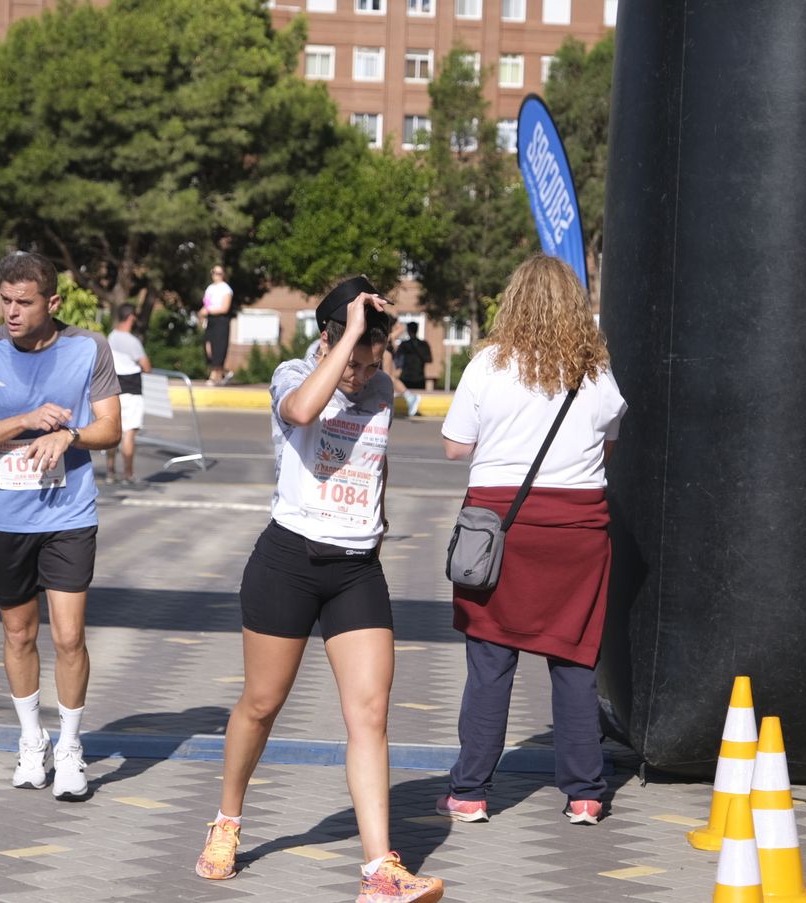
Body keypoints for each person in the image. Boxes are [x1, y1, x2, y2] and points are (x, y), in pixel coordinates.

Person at [195, 276, 443, 903]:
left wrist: (377, 525)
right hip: (289, 560)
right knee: (261, 704)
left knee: (370, 714)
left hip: (356, 567)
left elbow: (375, 462)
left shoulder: (380, 387)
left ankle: (378, 871)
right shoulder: (292, 374)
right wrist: (349, 337)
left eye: (371, 363)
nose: (361, 376)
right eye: (353, 361)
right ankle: (226, 822)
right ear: (329, 340)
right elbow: (303, 413)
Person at [434, 254, 627, 828]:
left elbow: (454, 447)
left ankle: (470, 793)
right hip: (578, 534)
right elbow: (608, 448)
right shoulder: (597, 373)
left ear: (513, 301)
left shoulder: (487, 365)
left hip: (499, 531)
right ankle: (585, 795)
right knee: (575, 662)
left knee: (490, 662)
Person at [0, 251, 122, 801]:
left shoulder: (89, 347)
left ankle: (70, 747)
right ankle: (31, 740)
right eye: (5, 301)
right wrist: (25, 421)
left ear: (53, 302)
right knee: (19, 634)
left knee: (69, 636)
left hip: (70, 515)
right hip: (4, 519)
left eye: (24, 302)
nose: (12, 312)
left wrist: (68, 436)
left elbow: (111, 428)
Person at [105, 302, 152, 485]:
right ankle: (128, 474)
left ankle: (110, 471)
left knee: (113, 432)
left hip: (114, 389)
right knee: (129, 434)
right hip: (131, 390)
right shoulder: (132, 341)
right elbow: (146, 366)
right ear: (131, 317)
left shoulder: (111, 336)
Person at [199, 264, 233, 385]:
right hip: (211, 320)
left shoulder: (226, 289)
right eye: (214, 272)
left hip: (221, 320)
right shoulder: (210, 288)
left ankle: (214, 376)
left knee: (218, 347)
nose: (216, 275)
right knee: (208, 347)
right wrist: (202, 313)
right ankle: (223, 373)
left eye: (219, 273)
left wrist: (208, 311)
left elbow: (225, 308)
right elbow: (207, 304)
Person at [394, 320, 432, 417]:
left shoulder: (421, 344)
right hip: (409, 377)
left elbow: (429, 359)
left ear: (408, 331)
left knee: (413, 399)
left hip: (416, 378)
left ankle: (413, 409)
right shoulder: (405, 345)